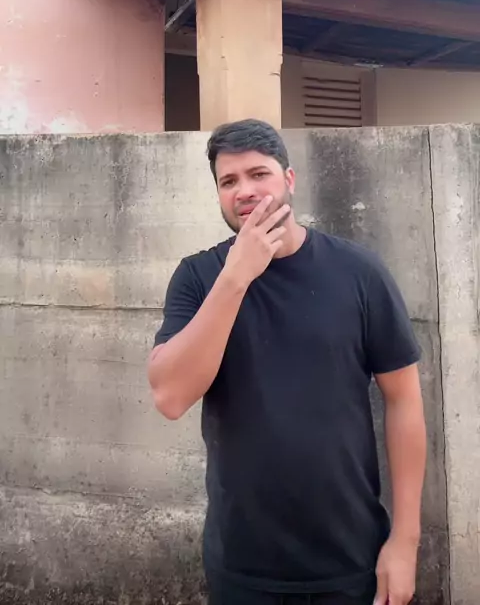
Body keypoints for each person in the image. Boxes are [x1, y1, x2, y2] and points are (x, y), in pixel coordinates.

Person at [148, 118, 426, 605]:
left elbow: (403, 401)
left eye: (259, 174)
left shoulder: (359, 272)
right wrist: (236, 276)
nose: (244, 190)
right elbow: (170, 397)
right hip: (242, 567)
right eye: (228, 181)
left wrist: (405, 542)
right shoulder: (198, 277)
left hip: (350, 559)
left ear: (289, 180)